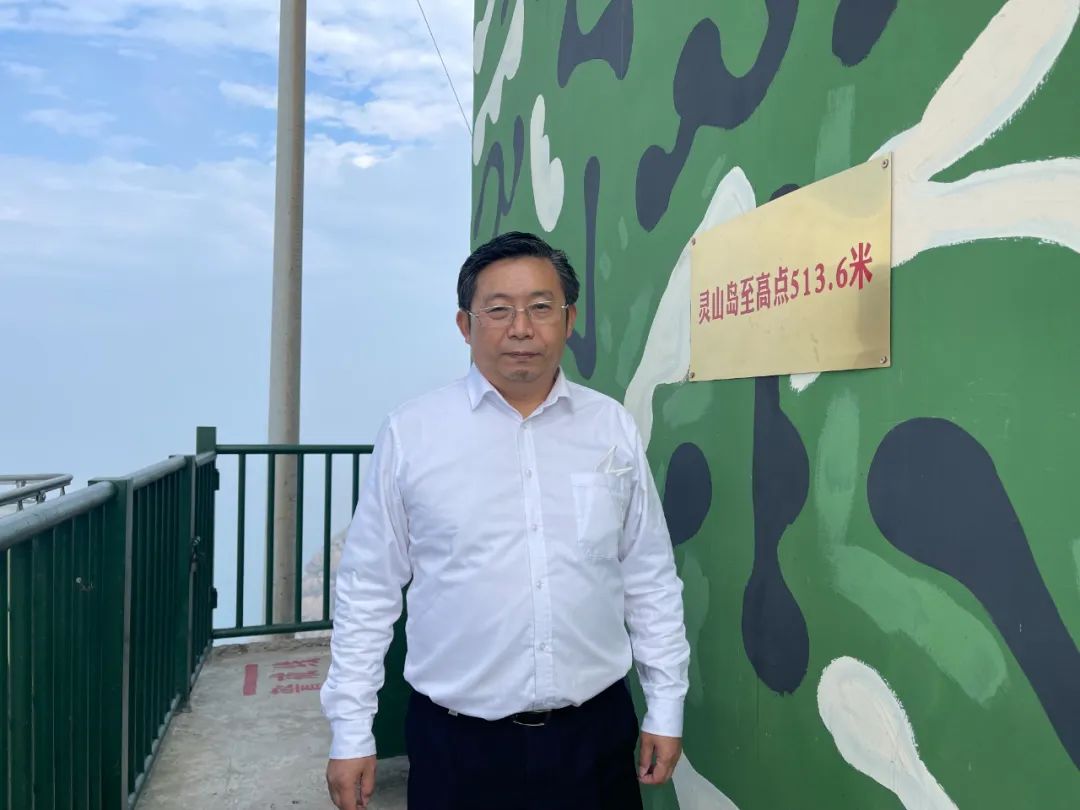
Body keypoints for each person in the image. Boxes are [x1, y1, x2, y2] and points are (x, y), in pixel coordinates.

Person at [322, 231, 690, 809]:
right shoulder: (413, 435)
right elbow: (368, 590)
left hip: (593, 738)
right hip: (457, 747)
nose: (521, 328)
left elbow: (649, 576)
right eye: (498, 310)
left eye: (541, 307)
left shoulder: (610, 428)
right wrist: (350, 731)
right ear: (465, 325)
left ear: (568, 320)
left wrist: (665, 706)